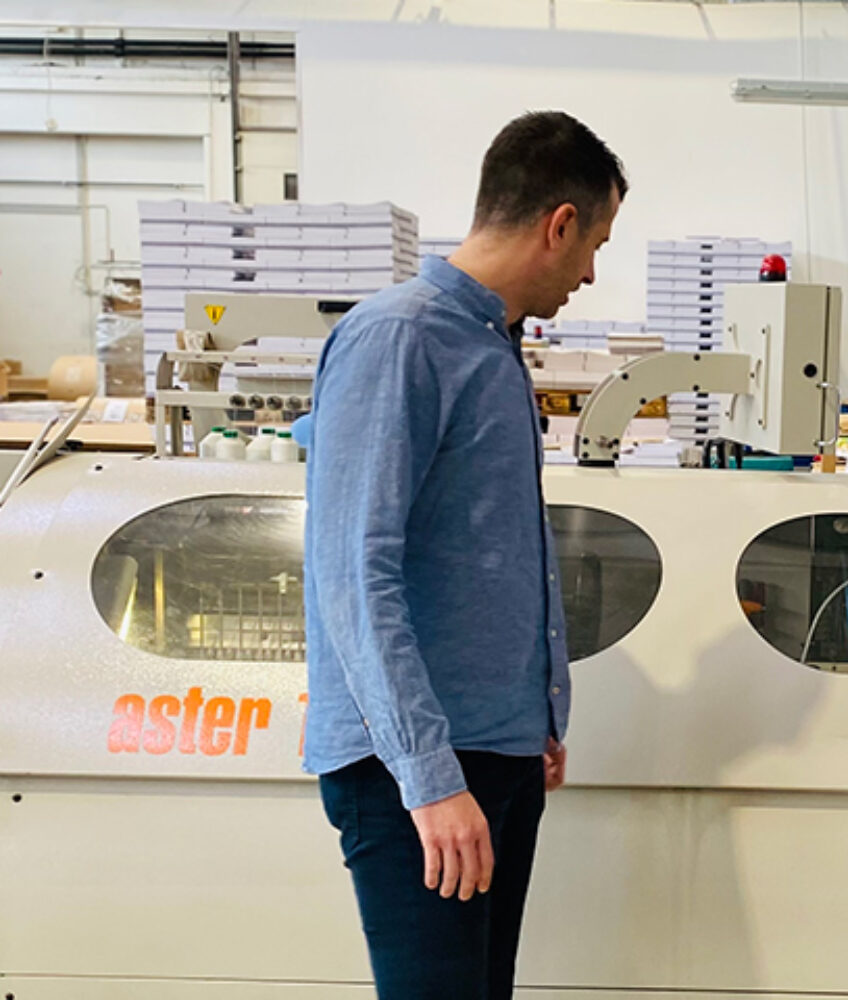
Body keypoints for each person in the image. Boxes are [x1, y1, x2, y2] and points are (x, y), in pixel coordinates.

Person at [303, 110, 626, 1000]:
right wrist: (428, 776)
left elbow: (489, 547)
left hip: (492, 752)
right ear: (560, 223)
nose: (590, 274)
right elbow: (353, 571)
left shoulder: (491, 343)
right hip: (419, 768)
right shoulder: (401, 337)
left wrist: (535, 718)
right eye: (595, 246)